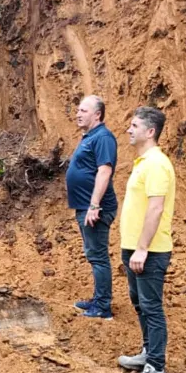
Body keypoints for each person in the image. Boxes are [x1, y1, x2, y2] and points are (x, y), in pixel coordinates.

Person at [117, 106, 176, 373]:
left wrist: (142, 249)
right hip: (134, 249)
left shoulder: (156, 164)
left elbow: (156, 208)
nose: (129, 130)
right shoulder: (144, 162)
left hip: (149, 251)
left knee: (151, 307)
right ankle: (148, 352)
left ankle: (156, 368)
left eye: (134, 125)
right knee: (140, 304)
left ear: (150, 131)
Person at [65, 95, 118, 320]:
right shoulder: (91, 136)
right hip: (87, 207)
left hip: (96, 208)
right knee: (94, 255)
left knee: (98, 256)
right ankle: (98, 299)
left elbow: (104, 171)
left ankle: (103, 307)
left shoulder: (103, 137)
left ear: (97, 115)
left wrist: (94, 205)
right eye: (78, 110)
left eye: (84, 111)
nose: (78, 114)